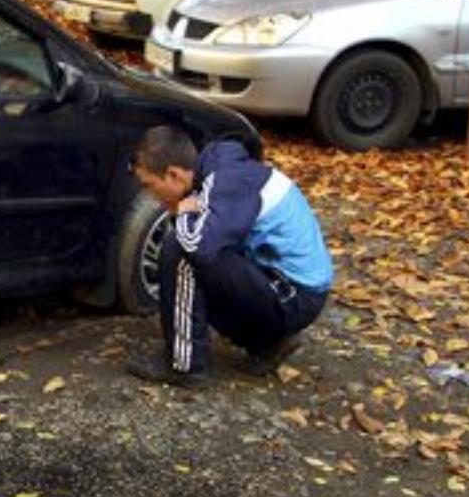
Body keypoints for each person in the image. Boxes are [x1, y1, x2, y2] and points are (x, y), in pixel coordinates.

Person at [126, 126, 333, 386]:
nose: (149, 195)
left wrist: (183, 213)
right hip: (291, 288)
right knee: (200, 260)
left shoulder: (226, 182)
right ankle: (266, 343)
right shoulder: (218, 172)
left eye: (149, 185)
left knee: (179, 249)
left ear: (174, 175)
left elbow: (198, 247)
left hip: (294, 296)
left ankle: (185, 365)